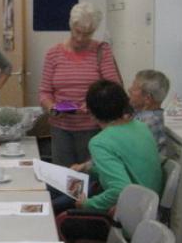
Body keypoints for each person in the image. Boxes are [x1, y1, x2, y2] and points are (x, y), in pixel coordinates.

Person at [38, 2, 122, 167]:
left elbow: (113, 89)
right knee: (63, 176)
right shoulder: (53, 54)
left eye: (87, 34)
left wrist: (91, 105)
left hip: (94, 128)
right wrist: (51, 108)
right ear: (71, 26)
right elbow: (44, 92)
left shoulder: (102, 51)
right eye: (77, 32)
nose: (80, 38)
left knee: (90, 176)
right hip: (61, 129)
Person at [68, 80, 163, 214]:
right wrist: (88, 168)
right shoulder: (141, 127)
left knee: (62, 204)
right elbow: (128, 167)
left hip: (131, 212)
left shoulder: (100, 142)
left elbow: (120, 189)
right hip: (150, 206)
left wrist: (87, 204)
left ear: (91, 113)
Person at [128, 69, 170, 156]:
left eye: (134, 88)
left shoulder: (149, 122)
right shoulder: (141, 113)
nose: (129, 90)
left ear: (147, 98)